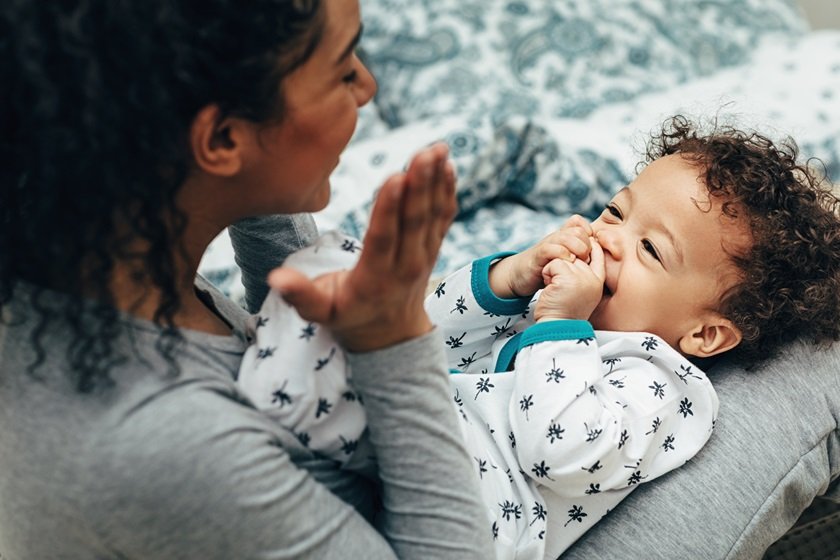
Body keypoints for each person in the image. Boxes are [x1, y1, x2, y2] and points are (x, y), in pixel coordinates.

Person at [0, 1, 496, 559]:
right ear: (221, 140)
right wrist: (394, 338)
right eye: (342, 69)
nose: (368, 87)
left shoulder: (92, 264)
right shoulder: (168, 442)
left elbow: (278, 365)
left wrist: (258, 188)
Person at [237, 116, 840, 559]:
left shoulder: (664, 385)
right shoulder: (553, 310)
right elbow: (429, 337)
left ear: (705, 334)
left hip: (468, 520)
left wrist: (557, 326)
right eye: (615, 211)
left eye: (651, 250)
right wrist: (507, 279)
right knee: (342, 284)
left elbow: (564, 451)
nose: (608, 238)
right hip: (397, 454)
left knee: (324, 300)